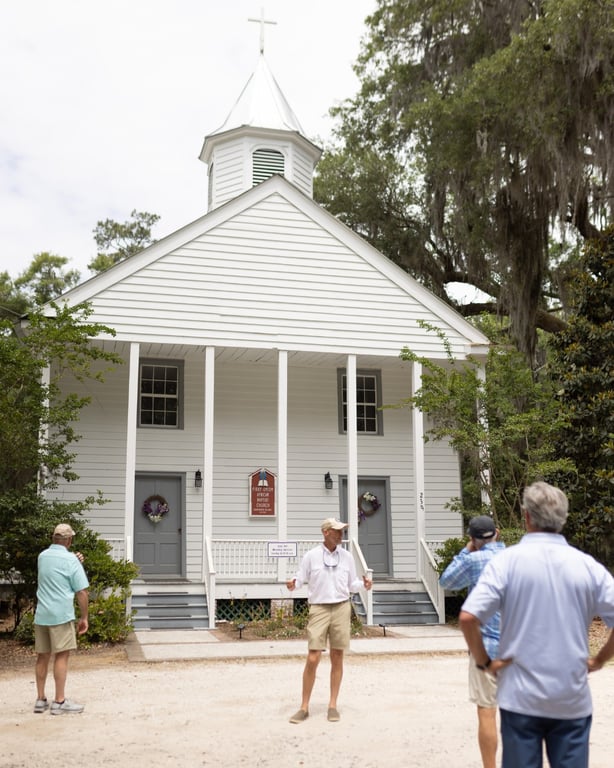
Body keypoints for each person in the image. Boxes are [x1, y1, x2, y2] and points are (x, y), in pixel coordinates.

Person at [460, 482, 614, 768]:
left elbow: (469, 617)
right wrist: (600, 659)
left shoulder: (506, 563)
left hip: (521, 696)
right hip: (571, 695)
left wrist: (484, 662)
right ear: (564, 518)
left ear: (527, 517)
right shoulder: (587, 566)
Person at [286, 517, 372, 723]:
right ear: (326, 532)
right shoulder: (311, 556)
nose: (340, 534)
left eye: (341, 531)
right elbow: (300, 578)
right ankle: (304, 707)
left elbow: (352, 583)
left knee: (337, 656)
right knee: (313, 656)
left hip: (342, 606)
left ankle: (332, 705)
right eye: (336, 531)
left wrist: (364, 585)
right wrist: (293, 584)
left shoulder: (347, 557)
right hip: (318, 608)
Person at [439, 515, 505, 768]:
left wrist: (467, 550)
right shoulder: (515, 559)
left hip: (485, 647)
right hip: (518, 648)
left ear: (473, 538)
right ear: (497, 532)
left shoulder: (474, 559)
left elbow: (446, 581)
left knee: (487, 710)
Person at [33, 523, 89, 715]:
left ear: (53, 538)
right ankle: (59, 701)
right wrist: (84, 617)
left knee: (43, 655)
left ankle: (40, 700)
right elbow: (81, 591)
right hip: (61, 615)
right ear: (69, 540)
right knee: (62, 655)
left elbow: (56, 567)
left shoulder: (42, 557)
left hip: (42, 614)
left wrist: (73, 558)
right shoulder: (71, 560)